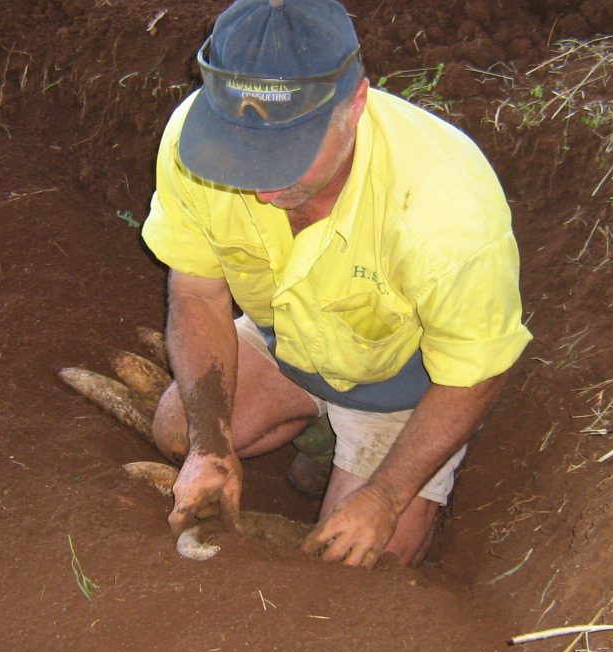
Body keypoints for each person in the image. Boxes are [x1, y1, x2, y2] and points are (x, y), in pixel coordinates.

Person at [140, 0, 532, 567]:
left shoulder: (448, 209)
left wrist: (386, 495)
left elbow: (478, 371)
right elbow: (198, 293)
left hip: (400, 388)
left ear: (355, 105)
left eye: (283, 152)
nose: (257, 182)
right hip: (288, 348)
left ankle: (401, 469)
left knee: (359, 561)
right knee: (177, 431)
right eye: (239, 147)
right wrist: (211, 447)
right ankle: (316, 435)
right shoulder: (190, 148)